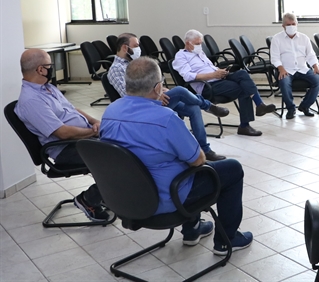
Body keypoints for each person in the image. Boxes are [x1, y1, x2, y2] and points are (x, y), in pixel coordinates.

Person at [100, 57, 253, 253]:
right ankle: (227, 239)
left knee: (173, 164)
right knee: (230, 169)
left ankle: (192, 229)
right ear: (157, 89)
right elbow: (198, 160)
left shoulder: (110, 111)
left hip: (126, 197)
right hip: (166, 198)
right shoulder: (165, 118)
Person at [14, 49, 108, 221]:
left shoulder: (47, 88)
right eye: (50, 65)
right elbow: (62, 133)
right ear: (41, 69)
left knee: (124, 144)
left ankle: (108, 193)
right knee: (115, 158)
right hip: (65, 148)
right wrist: (92, 132)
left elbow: (73, 110)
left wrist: (96, 123)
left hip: (82, 139)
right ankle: (87, 200)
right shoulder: (31, 101)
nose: (53, 68)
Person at [108, 33, 228, 161]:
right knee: (180, 91)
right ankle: (208, 106)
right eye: (136, 46)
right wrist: (156, 94)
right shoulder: (117, 69)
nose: (139, 49)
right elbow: (127, 95)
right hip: (142, 108)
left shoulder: (136, 63)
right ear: (125, 48)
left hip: (155, 99)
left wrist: (160, 90)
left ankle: (205, 149)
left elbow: (152, 83)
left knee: (193, 108)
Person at [173, 30, 276, 137]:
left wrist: (220, 71)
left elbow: (210, 67)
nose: (200, 46)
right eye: (197, 44)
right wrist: (213, 75)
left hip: (218, 78)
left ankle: (260, 105)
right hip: (207, 86)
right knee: (243, 89)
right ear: (187, 43)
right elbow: (188, 76)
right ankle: (245, 125)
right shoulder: (181, 56)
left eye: (201, 43)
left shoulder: (199, 53)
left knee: (242, 73)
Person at [270, 13, 319, 119]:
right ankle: (290, 109)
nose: (291, 26)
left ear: (297, 24)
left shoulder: (304, 38)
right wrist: (281, 69)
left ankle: (305, 106)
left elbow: (311, 55)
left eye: (293, 24)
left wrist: (315, 66)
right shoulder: (277, 39)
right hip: (286, 70)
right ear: (283, 26)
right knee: (284, 83)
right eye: (288, 24)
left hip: (303, 68)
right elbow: (274, 58)